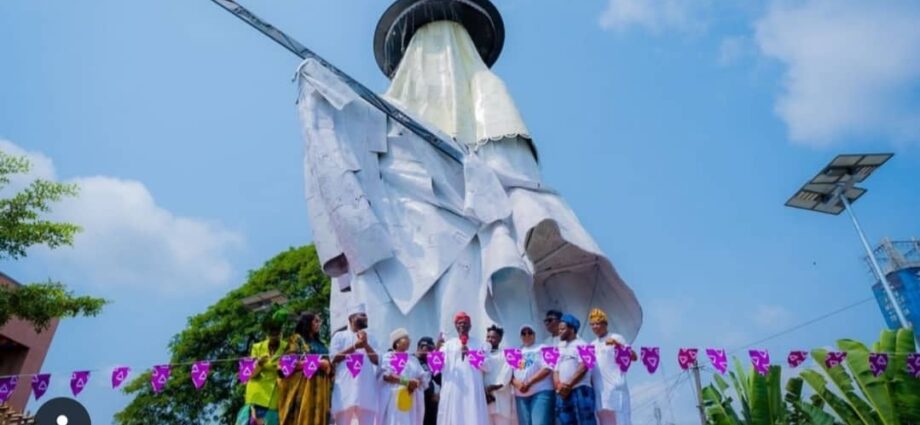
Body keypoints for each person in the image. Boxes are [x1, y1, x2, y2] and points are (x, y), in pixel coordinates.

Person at [277, 312, 332, 425]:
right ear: (307, 323)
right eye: (316, 321)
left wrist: (327, 365)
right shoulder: (297, 339)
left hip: (321, 387)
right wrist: (318, 363)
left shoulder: (322, 344)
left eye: (319, 321)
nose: (319, 324)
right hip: (304, 386)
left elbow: (330, 367)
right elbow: (287, 364)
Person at [330, 303, 380, 425]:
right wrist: (355, 347)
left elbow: (377, 360)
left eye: (365, 315)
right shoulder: (339, 336)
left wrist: (366, 345)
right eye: (362, 315)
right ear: (352, 318)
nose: (365, 318)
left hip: (366, 390)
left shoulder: (372, 337)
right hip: (345, 389)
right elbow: (334, 358)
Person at [436, 311, 490, 424]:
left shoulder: (479, 344)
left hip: (472, 388)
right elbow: (436, 367)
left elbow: (487, 366)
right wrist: (437, 350)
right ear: (455, 325)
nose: (462, 325)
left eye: (465, 323)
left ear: (470, 326)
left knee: (473, 415)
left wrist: (471, 354)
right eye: (459, 323)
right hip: (454, 388)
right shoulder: (448, 345)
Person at [240, 313, 288, 425]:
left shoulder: (287, 347)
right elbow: (248, 374)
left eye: (277, 331)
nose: (274, 334)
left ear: (281, 333)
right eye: (271, 332)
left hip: (274, 396)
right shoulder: (257, 347)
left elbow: (287, 372)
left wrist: (282, 368)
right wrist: (259, 364)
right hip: (257, 394)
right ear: (267, 334)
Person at [588, 309, 633, 425]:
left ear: (605, 324)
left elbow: (633, 356)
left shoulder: (616, 338)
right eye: (592, 324)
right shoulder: (591, 345)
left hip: (615, 387)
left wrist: (618, 345)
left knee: (620, 420)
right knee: (603, 421)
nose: (595, 327)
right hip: (599, 390)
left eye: (597, 323)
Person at [378, 328, 430, 425]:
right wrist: (407, 382)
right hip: (393, 400)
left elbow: (423, 377)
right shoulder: (388, 357)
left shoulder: (413, 359)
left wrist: (416, 383)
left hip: (410, 399)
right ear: (396, 343)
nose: (409, 340)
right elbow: (386, 376)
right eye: (405, 338)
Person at [554, 314, 596, 425]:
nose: (559, 332)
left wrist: (569, 384)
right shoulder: (560, 347)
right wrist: (559, 386)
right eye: (559, 329)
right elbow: (555, 370)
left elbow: (585, 366)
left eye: (562, 329)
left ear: (572, 329)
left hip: (581, 390)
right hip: (563, 393)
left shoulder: (584, 344)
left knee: (586, 422)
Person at [511, 324, 554, 425]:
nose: (527, 335)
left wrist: (529, 382)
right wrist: (517, 383)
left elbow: (548, 369)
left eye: (529, 333)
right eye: (523, 333)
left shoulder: (545, 347)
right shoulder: (515, 351)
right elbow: (509, 374)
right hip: (521, 394)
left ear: (534, 334)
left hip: (541, 392)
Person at [484, 325, 515, 425]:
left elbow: (507, 373)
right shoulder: (482, 354)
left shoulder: (507, 353)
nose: (490, 340)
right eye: (488, 337)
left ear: (500, 339)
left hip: (501, 398)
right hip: (486, 398)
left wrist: (494, 387)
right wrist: (485, 390)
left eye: (493, 337)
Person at [415, 336, 441, 425]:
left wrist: (439, 394)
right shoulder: (411, 360)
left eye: (432, 349)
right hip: (415, 400)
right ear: (420, 347)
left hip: (430, 402)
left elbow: (441, 380)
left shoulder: (430, 362)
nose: (430, 351)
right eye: (428, 348)